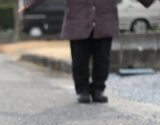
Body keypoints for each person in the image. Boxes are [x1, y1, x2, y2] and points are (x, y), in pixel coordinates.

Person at [18, 0, 155, 103]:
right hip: (78, 20)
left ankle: (98, 89)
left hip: (104, 20)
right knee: (79, 59)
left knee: (102, 59)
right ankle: (82, 90)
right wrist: (29, 4)